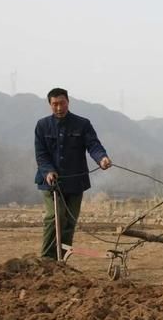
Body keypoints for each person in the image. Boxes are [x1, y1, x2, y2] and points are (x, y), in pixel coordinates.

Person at [34, 87, 112, 259]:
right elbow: (41, 154)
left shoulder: (82, 124)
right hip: (51, 182)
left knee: (69, 222)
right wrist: (48, 171)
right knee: (55, 217)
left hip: (76, 182)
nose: (59, 108)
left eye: (62, 103)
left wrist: (102, 158)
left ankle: (62, 260)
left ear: (68, 102)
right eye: (55, 104)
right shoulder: (42, 126)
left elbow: (93, 145)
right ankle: (47, 258)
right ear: (50, 105)